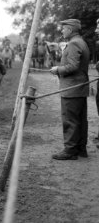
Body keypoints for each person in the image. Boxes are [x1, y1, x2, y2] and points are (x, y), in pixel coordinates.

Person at [50, 19, 90, 160]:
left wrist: (57, 69)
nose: (62, 31)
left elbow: (73, 66)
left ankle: (70, 150)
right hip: (79, 88)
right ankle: (80, 149)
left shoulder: (73, 44)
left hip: (72, 89)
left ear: (71, 30)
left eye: (64, 28)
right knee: (80, 120)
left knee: (70, 120)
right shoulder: (81, 42)